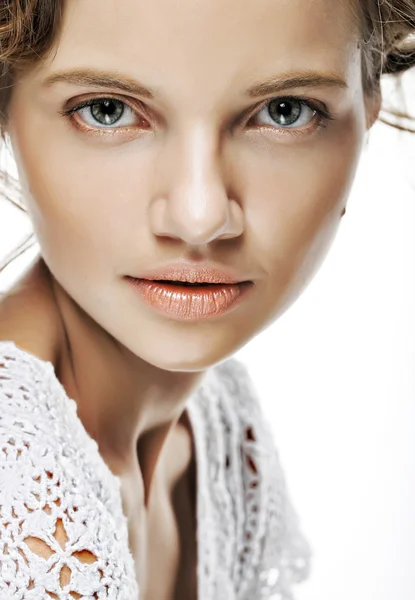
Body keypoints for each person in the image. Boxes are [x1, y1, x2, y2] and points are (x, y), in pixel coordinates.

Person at [0, 0, 414, 598]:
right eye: (107, 110)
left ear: (366, 110)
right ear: (5, 109)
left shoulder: (216, 427)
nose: (200, 215)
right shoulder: (20, 491)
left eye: (284, 111)